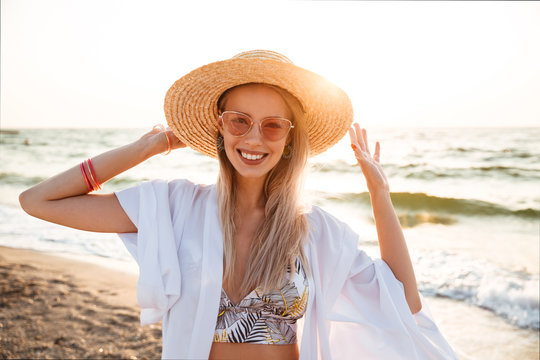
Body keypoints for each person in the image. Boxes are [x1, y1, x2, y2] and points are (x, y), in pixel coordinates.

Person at [19, 50, 458, 359]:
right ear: (220, 126)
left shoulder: (316, 231)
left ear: (289, 140)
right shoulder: (175, 207)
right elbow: (38, 200)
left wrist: (380, 193)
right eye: (239, 121)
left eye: (272, 126)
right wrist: (147, 147)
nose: (252, 138)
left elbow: (404, 303)